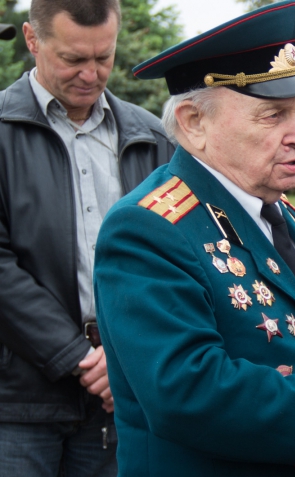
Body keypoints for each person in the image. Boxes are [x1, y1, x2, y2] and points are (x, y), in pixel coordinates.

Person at [94, 2, 295, 475]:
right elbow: (187, 390)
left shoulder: (279, 211)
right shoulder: (147, 228)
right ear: (194, 122)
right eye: (272, 117)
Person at [0, 0, 174, 474]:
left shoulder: (152, 137)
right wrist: (79, 357)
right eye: (73, 59)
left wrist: (130, 356)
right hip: (20, 402)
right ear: (32, 41)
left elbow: (171, 258)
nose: (91, 74)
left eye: (104, 57)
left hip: (123, 393)